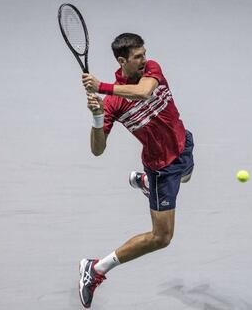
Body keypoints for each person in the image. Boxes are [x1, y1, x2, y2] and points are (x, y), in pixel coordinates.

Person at [79, 33, 194, 308]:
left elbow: (143, 91)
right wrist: (97, 119)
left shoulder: (152, 69)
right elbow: (97, 150)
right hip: (161, 168)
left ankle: (143, 184)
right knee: (161, 237)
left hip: (183, 143)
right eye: (137, 57)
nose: (144, 59)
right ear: (123, 61)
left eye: (144, 53)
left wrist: (102, 86)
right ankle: (95, 268)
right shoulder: (114, 105)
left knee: (187, 175)